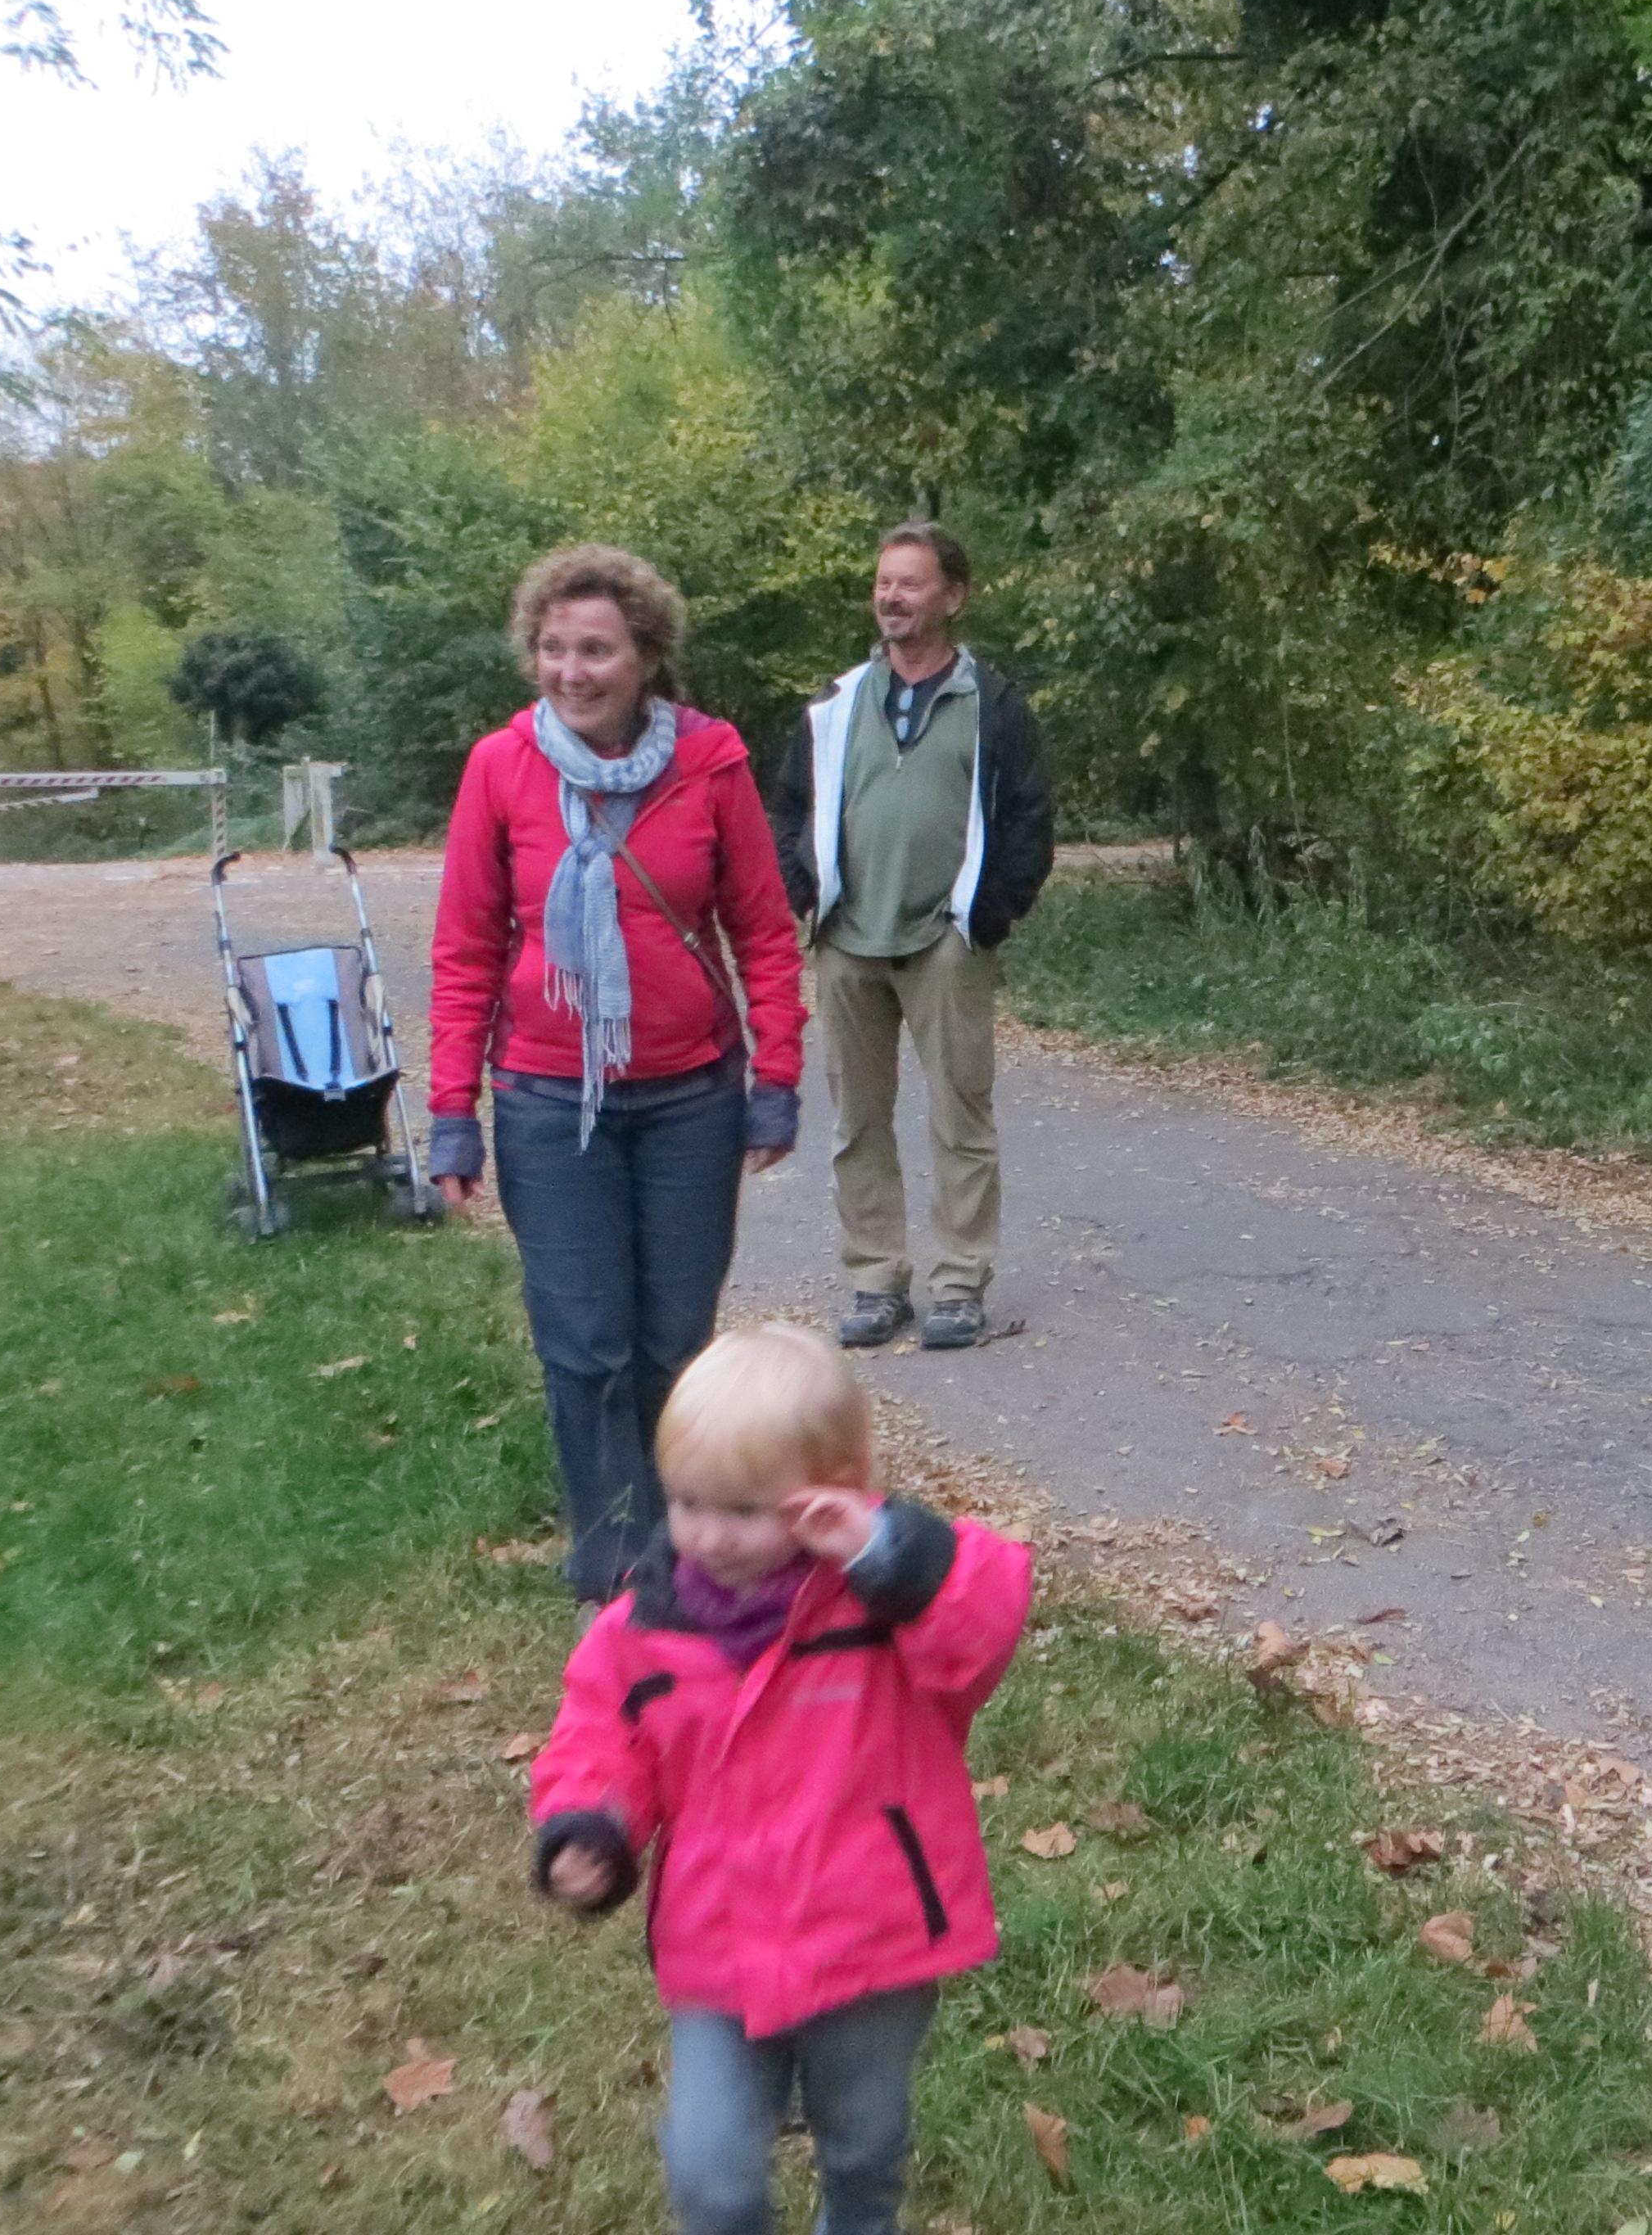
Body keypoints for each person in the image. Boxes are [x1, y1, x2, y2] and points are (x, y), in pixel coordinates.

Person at [530, 1324, 1032, 2235]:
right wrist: (590, 1820)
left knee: (863, 2139)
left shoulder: (884, 1609)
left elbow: (984, 1624)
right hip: (719, 1942)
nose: (707, 1535)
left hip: (872, 1939)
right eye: (686, 1501)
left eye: (743, 1510)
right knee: (709, 2171)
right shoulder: (643, 1627)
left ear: (832, 1491)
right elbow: (600, 1735)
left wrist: (889, 1550)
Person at [430, 544, 809, 1603]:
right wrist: (452, 1109)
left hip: (692, 1097)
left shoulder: (712, 762)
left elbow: (763, 932)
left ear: (645, 656)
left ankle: (684, 1546)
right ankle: (611, 1558)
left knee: (674, 1342)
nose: (571, 671)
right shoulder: (501, 766)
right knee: (586, 1344)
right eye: (553, 649)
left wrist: (775, 1076)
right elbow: (465, 950)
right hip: (549, 1101)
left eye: (595, 650)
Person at [771, 522, 1055, 1353]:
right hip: (847, 939)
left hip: (946, 941)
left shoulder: (993, 706)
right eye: (883, 582)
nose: (891, 597)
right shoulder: (835, 705)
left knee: (960, 1116)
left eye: (910, 583)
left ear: (953, 597)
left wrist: (986, 916)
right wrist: (807, 894)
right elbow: (786, 808)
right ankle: (875, 1280)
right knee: (857, 1121)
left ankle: (959, 1283)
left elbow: (1028, 820)